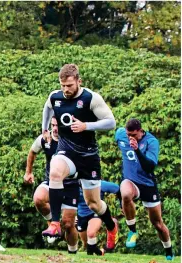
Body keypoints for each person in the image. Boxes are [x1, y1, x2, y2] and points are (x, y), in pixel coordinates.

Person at [40, 64, 119, 252]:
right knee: (55, 172)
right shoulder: (55, 96)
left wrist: (86, 126)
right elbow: (47, 107)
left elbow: (111, 123)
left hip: (88, 156)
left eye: (69, 85)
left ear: (78, 81)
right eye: (63, 85)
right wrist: (44, 128)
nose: (66, 90)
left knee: (93, 203)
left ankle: (111, 225)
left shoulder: (90, 98)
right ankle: (55, 224)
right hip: (66, 150)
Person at [116, 118, 173, 260]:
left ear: (140, 131)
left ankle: (168, 250)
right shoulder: (120, 134)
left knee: (158, 224)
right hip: (131, 181)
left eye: (134, 135)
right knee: (125, 192)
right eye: (128, 135)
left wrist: (137, 150)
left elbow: (150, 167)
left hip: (148, 185)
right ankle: (132, 231)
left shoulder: (152, 142)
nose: (130, 138)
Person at [24, 117, 79, 246]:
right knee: (38, 198)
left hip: (70, 186)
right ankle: (52, 224)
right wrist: (28, 172)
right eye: (52, 125)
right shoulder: (45, 139)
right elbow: (32, 151)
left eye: (57, 125)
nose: (54, 128)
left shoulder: (72, 140)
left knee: (68, 224)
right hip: (51, 182)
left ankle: (73, 252)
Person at [76, 180, 119, 256]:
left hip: (95, 212)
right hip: (81, 216)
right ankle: (100, 252)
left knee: (91, 233)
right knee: (86, 244)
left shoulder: (98, 184)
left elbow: (117, 189)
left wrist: (122, 204)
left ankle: (112, 226)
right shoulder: (73, 186)